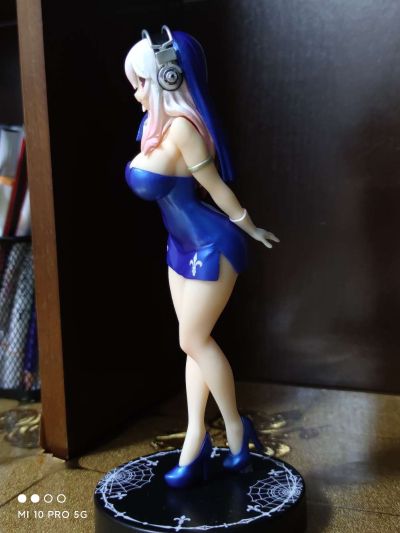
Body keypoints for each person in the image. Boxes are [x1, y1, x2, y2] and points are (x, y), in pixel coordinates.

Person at [124, 26, 280, 488]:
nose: (136, 92)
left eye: (141, 82)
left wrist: (250, 227)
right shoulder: (153, 127)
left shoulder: (183, 130)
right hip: (179, 245)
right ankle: (197, 437)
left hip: (213, 245)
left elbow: (216, 188)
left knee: (193, 339)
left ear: (168, 78)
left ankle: (235, 429)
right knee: (193, 342)